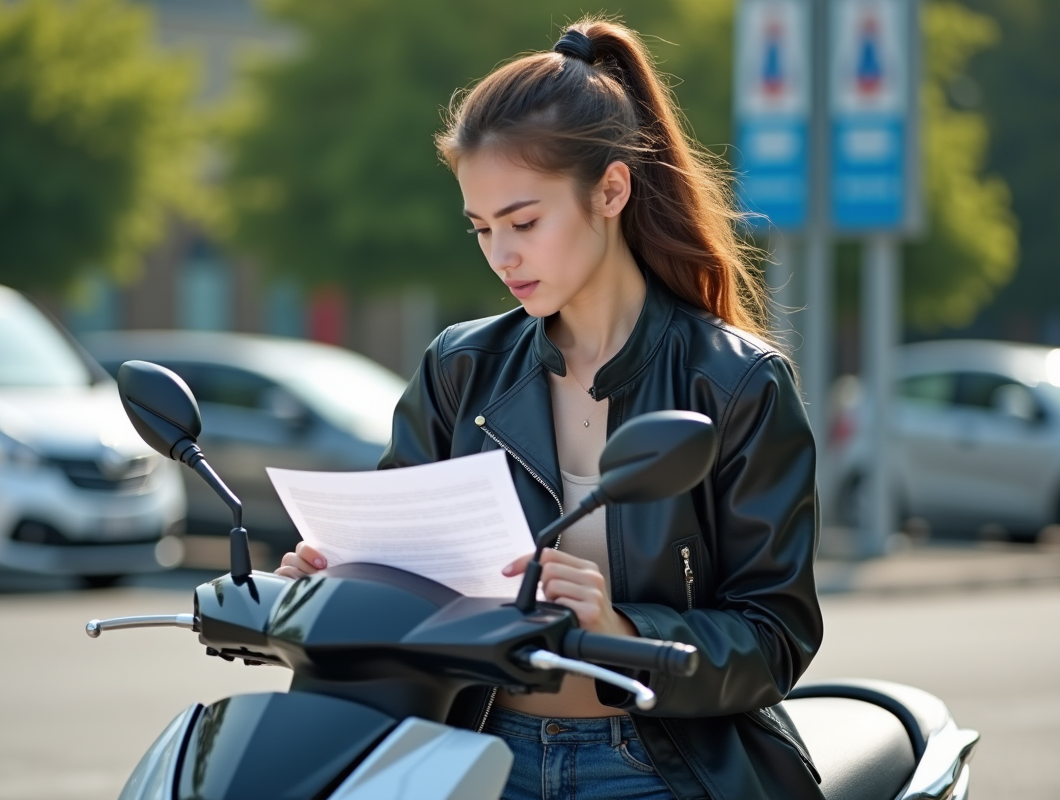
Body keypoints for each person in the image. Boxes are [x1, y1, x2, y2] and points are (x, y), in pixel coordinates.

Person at [276, 16, 823, 800]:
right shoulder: (461, 369)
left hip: (657, 762)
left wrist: (620, 630)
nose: (502, 255)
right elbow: (403, 561)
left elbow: (776, 637)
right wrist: (334, 578)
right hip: (473, 750)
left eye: (524, 222)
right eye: (482, 229)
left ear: (611, 189)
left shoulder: (736, 383)